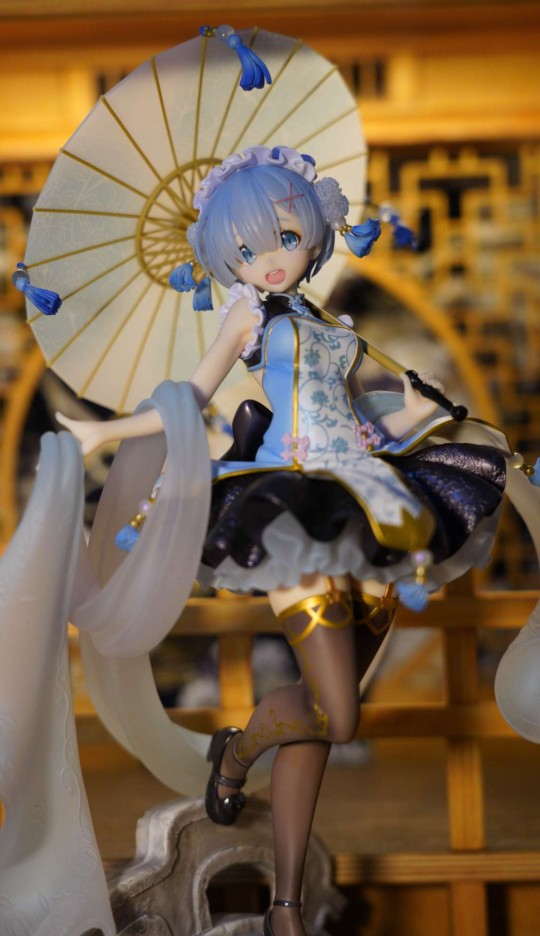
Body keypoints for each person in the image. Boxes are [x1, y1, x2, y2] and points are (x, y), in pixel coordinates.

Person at [59, 144, 509, 936]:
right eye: (246, 249)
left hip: (371, 501)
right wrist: (107, 432)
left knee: (320, 724)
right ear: (225, 258)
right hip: (294, 505)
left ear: (316, 235)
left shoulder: (329, 322)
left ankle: (285, 906)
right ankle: (235, 753)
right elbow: (188, 398)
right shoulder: (249, 316)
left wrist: (424, 414)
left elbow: (378, 416)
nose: (270, 259)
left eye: (287, 238)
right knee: (338, 713)